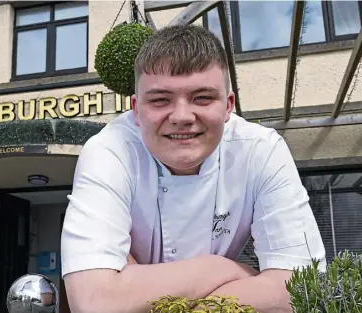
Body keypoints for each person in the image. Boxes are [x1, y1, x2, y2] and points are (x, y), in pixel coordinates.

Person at [60, 25, 326, 313]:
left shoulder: (261, 150)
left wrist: (134, 292)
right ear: (136, 110)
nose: (182, 117)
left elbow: (303, 289)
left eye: (202, 97)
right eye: (161, 100)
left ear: (228, 106)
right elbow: (93, 303)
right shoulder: (109, 151)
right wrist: (222, 269)